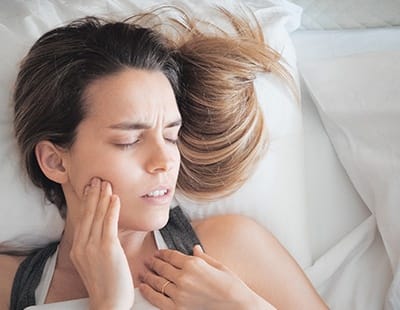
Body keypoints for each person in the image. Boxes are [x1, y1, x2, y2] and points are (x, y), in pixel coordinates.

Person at [0, 7, 328, 310]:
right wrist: (108, 303)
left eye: (171, 136)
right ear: (56, 162)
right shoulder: (9, 285)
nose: (165, 161)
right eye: (129, 140)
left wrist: (242, 305)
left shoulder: (229, 248)